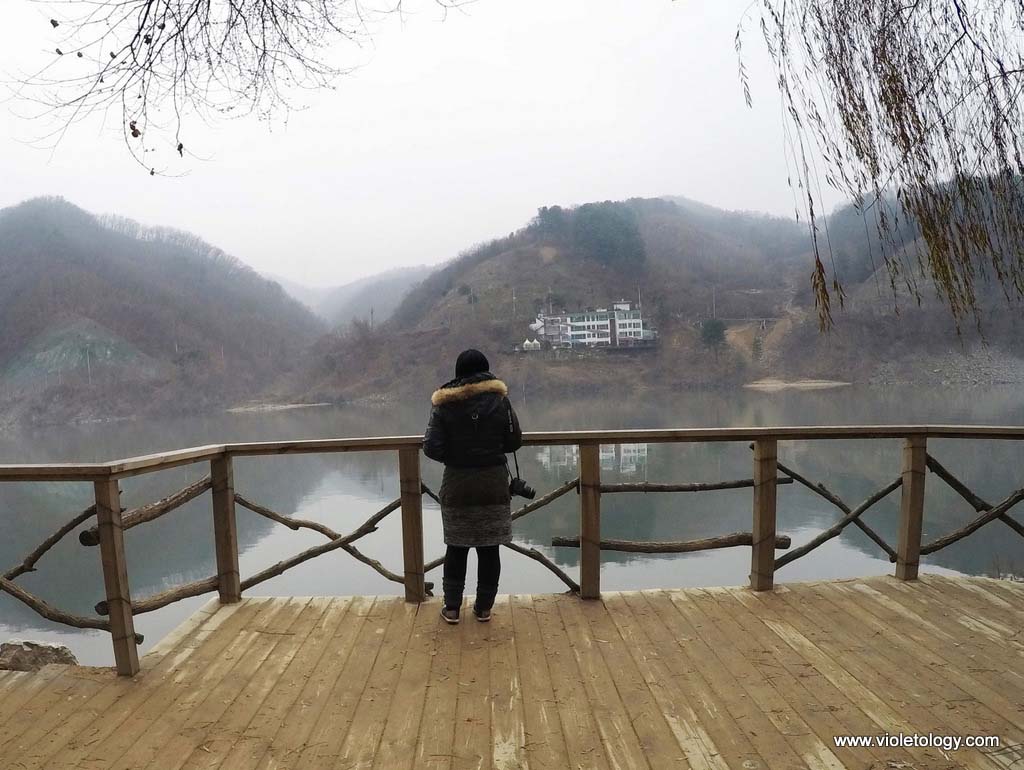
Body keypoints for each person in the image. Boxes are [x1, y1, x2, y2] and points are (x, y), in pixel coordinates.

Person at [423, 349, 522, 624]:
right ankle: (484, 608)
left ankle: (452, 609)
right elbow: (514, 441)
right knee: (490, 549)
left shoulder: (444, 404)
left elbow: (431, 447)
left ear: (458, 373)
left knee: (456, 547)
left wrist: (457, 457)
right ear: (486, 370)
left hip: (457, 484)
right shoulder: (500, 401)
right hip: (493, 484)